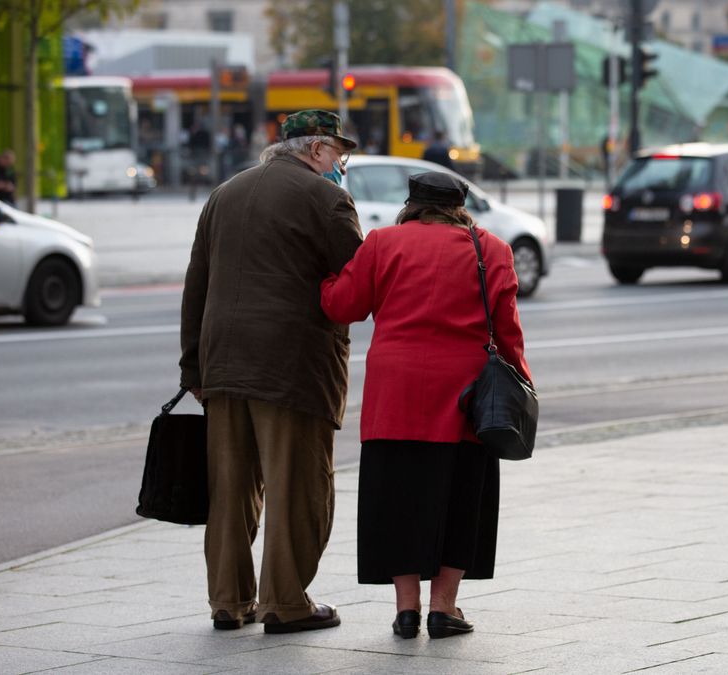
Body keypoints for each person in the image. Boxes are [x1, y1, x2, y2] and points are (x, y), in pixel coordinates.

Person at [320, 172, 531, 640]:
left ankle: (406, 610)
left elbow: (342, 306)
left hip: (394, 394)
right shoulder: (491, 249)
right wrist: (523, 382)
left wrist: (328, 276)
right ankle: (444, 607)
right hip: (465, 397)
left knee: (397, 497)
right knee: (461, 499)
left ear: (412, 204)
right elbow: (508, 329)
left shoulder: (382, 243)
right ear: (460, 206)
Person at [179, 109, 363, 635]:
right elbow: (354, 284)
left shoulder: (225, 193)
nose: (340, 165)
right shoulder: (327, 199)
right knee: (297, 485)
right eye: (338, 154)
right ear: (315, 149)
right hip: (292, 365)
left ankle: (228, 601)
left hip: (222, 363)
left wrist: (193, 364)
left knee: (230, 489)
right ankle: (284, 602)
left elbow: (197, 284)